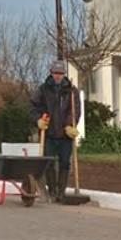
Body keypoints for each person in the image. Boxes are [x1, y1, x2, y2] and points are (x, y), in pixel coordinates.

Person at [30, 60, 80, 202]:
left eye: (60, 73)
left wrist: (70, 124)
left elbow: (75, 110)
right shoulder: (43, 90)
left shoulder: (71, 91)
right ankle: (52, 191)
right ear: (51, 73)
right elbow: (32, 107)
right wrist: (38, 120)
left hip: (65, 134)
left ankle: (61, 192)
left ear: (64, 74)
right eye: (55, 73)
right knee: (49, 163)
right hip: (49, 134)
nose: (58, 76)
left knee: (65, 163)